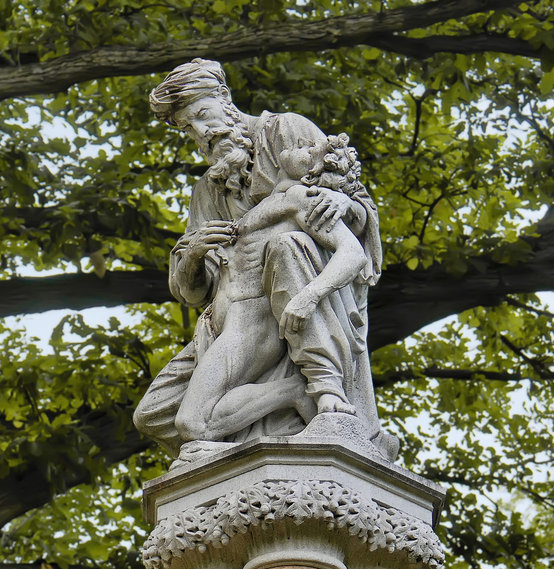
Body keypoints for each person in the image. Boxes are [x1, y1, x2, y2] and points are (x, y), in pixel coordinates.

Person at [133, 58, 396, 461]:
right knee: (155, 414)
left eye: (203, 115)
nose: (202, 132)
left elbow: (349, 209)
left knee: (288, 246)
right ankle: (263, 422)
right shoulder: (210, 186)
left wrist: (342, 202)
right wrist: (197, 252)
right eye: (189, 128)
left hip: (292, 294)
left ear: (224, 98)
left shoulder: (287, 133)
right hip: (228, 315)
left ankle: (321, 389)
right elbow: (190, 288)